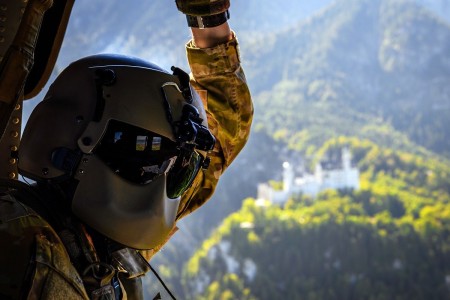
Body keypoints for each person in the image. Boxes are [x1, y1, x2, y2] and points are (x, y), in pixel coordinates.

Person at [0, 0, 253, 299]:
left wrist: (207, 16)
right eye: (162, 165)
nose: (172, 181)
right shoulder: (32, 256)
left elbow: (222, 126)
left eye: (181, 171)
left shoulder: (103, 233)